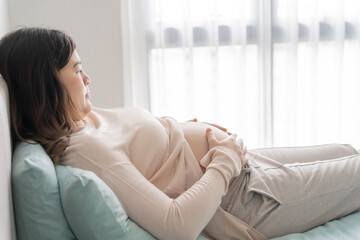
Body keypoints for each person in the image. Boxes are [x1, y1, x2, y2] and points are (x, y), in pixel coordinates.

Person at [1, 27, 360, 240]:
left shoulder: (79, 120)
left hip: (241, 169)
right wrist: (226, 159)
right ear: (45, 85)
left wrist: (182, 130)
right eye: (77, 70)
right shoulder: (85, 150)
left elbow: (146, 149)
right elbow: (177, 226)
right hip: (243, 198)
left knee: (347, 148)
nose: (87, 78)